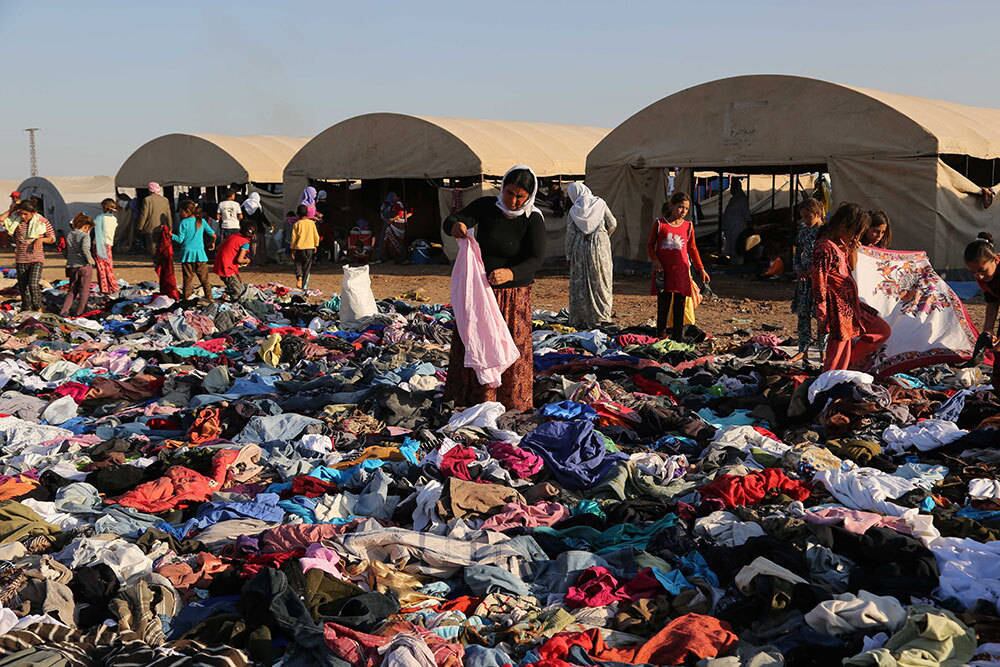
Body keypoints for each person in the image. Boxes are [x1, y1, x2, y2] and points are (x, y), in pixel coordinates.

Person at [443, 165, 546, 411]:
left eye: (520, 196)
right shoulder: (487, 207)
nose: (512, 200)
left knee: (509, 348)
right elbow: (454, 220)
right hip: (481, 293)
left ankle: (511, 403)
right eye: (509, 193)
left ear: (529, 196)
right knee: (476, 342)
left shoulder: (532, 219)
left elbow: (535, 259)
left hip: (513, 298)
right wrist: (456, 226)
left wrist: (511, 273)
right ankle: (473, 400)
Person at [812, 203, 891, 372]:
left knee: (848, 348)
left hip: (847, 307)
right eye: (856, 232)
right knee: (837, 353)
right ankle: (828, 385)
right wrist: (822, 310)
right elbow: (819, 280)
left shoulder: (840, 247)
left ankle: (836, 378)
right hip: (836, 308)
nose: (856, 237)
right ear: (843, 226)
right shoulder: (825, 248)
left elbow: (849, 271)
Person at [647, 192, 710, 341]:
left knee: (680, 305)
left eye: (686, 209)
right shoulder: (660, 224)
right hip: (664, 270)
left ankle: (677, 336)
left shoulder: (688, 226)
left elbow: (692, 249)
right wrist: (655, 260)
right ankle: (660, 334)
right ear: (672, 206)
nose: (683, 211)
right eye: (680, 207)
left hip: (681, 270)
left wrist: (700, 268)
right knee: (664, 303)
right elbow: (650, 245)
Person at [565, 181, 617, 329]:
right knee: (601, 281)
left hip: (580, 248)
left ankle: (581, 318)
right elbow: (612, 223)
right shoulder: (600, 203)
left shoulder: (574, 211)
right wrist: (604, 235)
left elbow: (570, 235)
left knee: (581, 283)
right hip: (599, 246)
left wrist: (568, 256)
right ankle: (601, 317)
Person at [790, 198, 826, 363]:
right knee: (803, 315)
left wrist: (816, 271)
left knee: (820, 317)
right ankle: (802, 349)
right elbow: (798, 253)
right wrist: (798, 269)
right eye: (803, 217)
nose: (805, 220)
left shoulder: (825, 232)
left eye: (808, 216)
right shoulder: (803, 232)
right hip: (804, 281)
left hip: (820, 282)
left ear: (817, 214)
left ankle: (823, 350)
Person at [5, 202, 55, 312]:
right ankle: (26, 308)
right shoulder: (15, 221)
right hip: (21, 259)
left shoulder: (42, 222)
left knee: (33, 284)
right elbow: (1, 219)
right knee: (23, 288)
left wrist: (40, 239)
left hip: (36, 259)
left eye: (26, 214)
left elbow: (52, 238)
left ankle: (38, 307)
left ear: (33, 213)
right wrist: (13, 209)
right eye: (21, 213)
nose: (23, 216)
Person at [172, 201, 216, 303]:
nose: (179, 213)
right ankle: (209, 297)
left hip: (187, 255)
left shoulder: (183, 223)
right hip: (200, 255)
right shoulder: (201, 221)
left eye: (181, 211)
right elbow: (213, 235)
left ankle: (187, 297)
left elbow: (180, 240)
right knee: (204, 279)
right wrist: (212, 243)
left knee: (188, 278)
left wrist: (170, 235)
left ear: (186, 211)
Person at [61, 214, 95, 317]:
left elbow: (65, 250)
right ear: (85, 226)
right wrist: (91, 261)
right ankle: (79, 312)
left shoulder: (70, 234)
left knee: (72, 290)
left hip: (71, 266)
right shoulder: (85, 236)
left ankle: (64, 311)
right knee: (84, 290)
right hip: (83, 266)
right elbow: (85, 249)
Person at [214, 221, 252, 300]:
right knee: (238, 292)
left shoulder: (233, 236)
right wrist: (247, 260)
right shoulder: (245, 243)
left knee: (234, 285)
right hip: (227, 268)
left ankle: (228, 292)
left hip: (219, 264)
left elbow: (218, 247)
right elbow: (239, 260)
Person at [136, 182, 173, 258]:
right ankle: (160, 260)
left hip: (150, 227)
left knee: (152, 247)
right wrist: (170, 226)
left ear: (149, 190)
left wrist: (140, 227)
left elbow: (144, 215)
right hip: (163, 227)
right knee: (161, 245)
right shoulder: (165, 200)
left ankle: (156, 260)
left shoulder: (147, 200)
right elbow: (168, 215)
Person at [93, 198, 119, 296]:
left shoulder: (100, 218)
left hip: (99, 244)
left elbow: (95, 231)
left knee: (101, 268)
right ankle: (113, 286)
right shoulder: (114, 219)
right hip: (108, 244)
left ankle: (104, 288)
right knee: (108, 266)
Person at [291, 204, 319, 289]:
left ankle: (299, 276)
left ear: (298, 214)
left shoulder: (297, 224)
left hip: (299, 248)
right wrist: (315, 245)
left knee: (298, 264)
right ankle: (303, 285)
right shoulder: (312, 223)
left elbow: (293, 238)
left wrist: (292, 249)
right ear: (307, 214)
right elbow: (316, 236)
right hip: (310, 248)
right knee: (307, 267)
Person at [721, 179, 751, 259]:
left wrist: (749, 223)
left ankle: (737, 262)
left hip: (738, 227)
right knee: (731, 245)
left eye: (732, 187)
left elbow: (746, 214)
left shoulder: (741, 199)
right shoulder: (734, 198)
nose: (731, 189)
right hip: (731, 227)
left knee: (736, 246)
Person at [379, 192, 411, 263]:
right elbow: (382, 214)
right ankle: (386, 257)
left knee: (398, 242)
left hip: (398, 226)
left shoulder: (398, 204)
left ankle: (401, 257)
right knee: (389, 240)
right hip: (393, 225)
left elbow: (401, 213)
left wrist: (393, 219)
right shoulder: (387, 205)